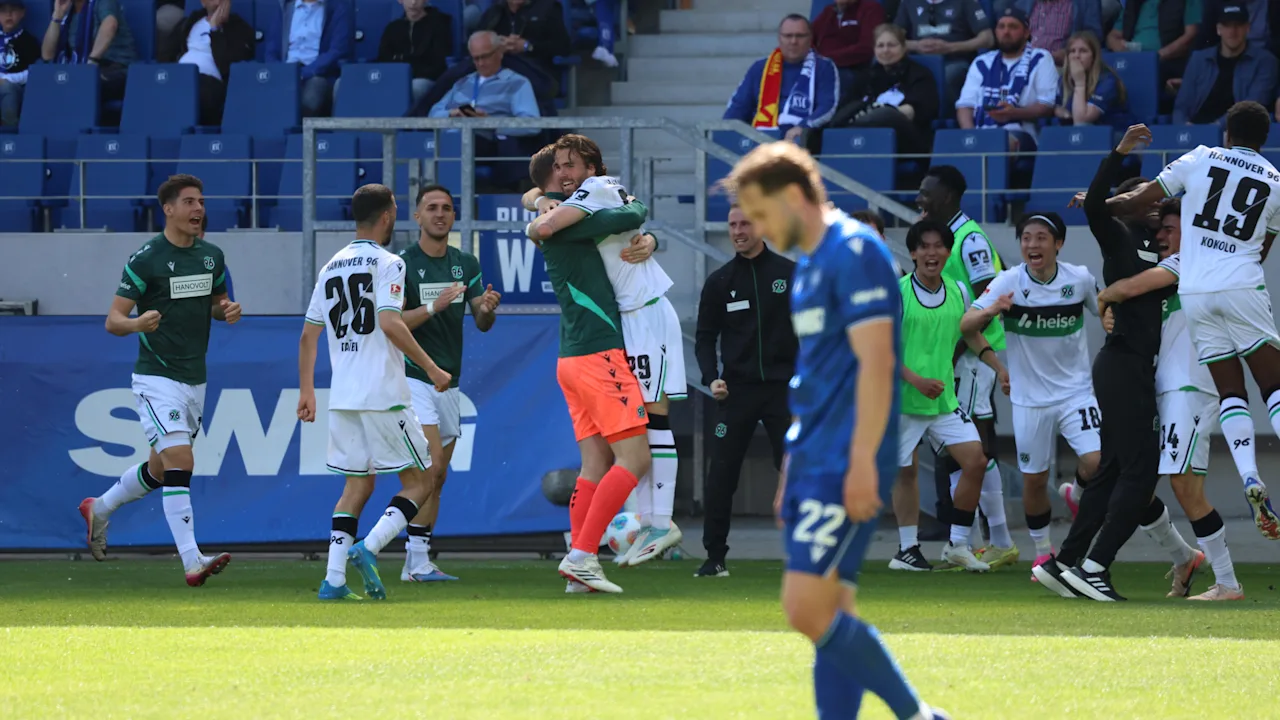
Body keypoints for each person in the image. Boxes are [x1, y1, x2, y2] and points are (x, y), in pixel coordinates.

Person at [727, 141, 951, 720]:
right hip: (813, 456)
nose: (759, 227)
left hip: (846, 456)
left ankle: (918, 715)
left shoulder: (857, 251)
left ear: (797, 197)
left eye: (763, 212)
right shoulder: (808, 269)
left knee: (804, 608)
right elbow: (815, 376)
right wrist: (791, 473)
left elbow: (876, 364)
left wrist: (859, 462)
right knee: (833, 610)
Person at [1103, 105, 1280, 541]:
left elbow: (1142, 199)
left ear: (1227, 132)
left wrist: (1099, 204)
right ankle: (1255, 478)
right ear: (1264, 137)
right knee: (1273, 387)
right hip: (1241, 282)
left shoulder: (1201, 157)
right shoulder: (1276, 182)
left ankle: (1250, 477)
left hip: (1196, 290)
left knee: (1230, 392)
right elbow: (1261, 250)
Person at [1034, 126, 1181, 602]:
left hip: (1128, 367)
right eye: (1144, 193)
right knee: (1142, 469)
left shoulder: (1158, 245)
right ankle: (1097, 567)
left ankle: (1064, 564)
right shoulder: (1119, 236)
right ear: (1127, 202)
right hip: (1123, 365)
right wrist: (1117, 153)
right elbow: (1098, 204)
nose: (1155, 200)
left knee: (1114, 469)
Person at [526, 135, 684, 569]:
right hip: (618, 326)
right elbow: (626, 211)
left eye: (572, 164)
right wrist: (539, 202)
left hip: (644, 314)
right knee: (626, 441)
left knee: (654, 416)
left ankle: (659, 521)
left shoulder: (593, 192)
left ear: (591, 169)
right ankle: (593, 549)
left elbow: (549, 225)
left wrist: (541, 213)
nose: (564, 171)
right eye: (558, 166)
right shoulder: (584, 196)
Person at [78, 174, 237, 586]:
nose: (198, 209)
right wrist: (137, 324)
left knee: (161, 470)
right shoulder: (145, 258)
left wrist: (227, 311)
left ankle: (100, 508)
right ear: (168, 209)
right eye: (189, 202)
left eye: (201, 201)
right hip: (156, 377)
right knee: (182, 461)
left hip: (195, 378)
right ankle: (191, 560)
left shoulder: (212, 257)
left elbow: (217, 304)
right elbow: (113, 320)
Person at [297, 184, 452, 602]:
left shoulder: (330, 266)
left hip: (343, 396)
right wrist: (432, 367)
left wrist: (307, 391)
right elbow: (389, 322)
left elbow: (309, 336)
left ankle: (332, 581)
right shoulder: (389, 262)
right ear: (387, 216)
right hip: (383, 393)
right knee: (422, 480)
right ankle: (370, 546)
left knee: (356, 488)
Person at [1094, 199, 1245, 601]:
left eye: (1170, 229)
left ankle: (1228, 584)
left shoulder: (1191, 261)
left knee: (1184, 485)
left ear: (1192, 233)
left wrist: (1104, 298)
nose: (1160, 235)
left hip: (1191, 389)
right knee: (1138, 483)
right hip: (1163, 388)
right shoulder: (1172, 277)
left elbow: (1130, 287)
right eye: (1160, 229)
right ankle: (1183, 557)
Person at [961, 213, 1102, 578]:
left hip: (1076, 392)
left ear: (1058, 244)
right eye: (1026, 237)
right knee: (1035, 480)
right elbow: (967, 328)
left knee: (1097, 462)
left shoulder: (1080, 278)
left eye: (1041, 238)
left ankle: (1078, 495)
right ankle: (1042, 552)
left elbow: (1104, 310)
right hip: (1029, 400)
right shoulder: (1008, 281)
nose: (1032, 245)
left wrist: (1112, 318)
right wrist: (993, 323)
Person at [892, 219, 1012, 573]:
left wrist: (998, 366)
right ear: (913, 253)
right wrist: (915, 380)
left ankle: (957, 544)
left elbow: (971, 333)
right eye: (924, 247)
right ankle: (907, 550)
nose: (932, 253)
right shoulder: (898, 292)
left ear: (948, 252)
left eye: (939, 246)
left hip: (944, 400)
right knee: (905, 473)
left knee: (975, 461)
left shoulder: (959, 290)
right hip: (904, 398)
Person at [396, 184, 502, 583]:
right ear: (417, 217)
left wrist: (488, 309)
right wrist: (432, 307)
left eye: (447, 208)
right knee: (430, 466)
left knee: (437, 478)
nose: (440, 214)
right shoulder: (402, 264)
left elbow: (482, 321)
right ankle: (402, 556)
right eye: (432, 208)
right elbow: (391, 323)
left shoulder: (465, 264)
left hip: (449, 383)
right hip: (413, 377)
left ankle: (416, 561)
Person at [693, 204, 798, 578]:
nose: (738, 231)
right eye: (732, 224)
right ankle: (715, 556)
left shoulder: (789, 274)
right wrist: (711, 377)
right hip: (735, 393)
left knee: (796, 471)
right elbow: (705, 339)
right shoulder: (720, 281)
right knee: (721, 473)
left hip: (783, 392)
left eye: (745, 224)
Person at [916, 164, 1013, 561]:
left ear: (949, 197)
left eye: (927, 192)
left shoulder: (969, 239)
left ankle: (998, 541)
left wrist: (954, 350)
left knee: (971, 446)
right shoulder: (947, 237)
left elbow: (984, 300)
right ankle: (972, 541)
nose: (920, 199)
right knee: (959, 448)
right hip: (959, 357)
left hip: (971, 358)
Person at [429, 31, 542, 190]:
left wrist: (491, 122)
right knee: (421, 144)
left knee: (454, 145)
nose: (481, 63)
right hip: (453, 136)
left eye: (486, 56)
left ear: (499, 53)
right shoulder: (462, 82)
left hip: (487, 141)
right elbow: (433, 113)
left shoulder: (517, 82)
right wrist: (451, 113)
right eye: (476, 58)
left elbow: (532, 124)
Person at [723, 14, 840, 145]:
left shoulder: (824, 67)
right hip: (760, 141)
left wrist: (803, 126)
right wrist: (726, 133)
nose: (794, 41)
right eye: (788, 36)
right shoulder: (760, 68)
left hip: (802, 141)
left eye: (800, 36)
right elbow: (737, 108)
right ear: (779, 38)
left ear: (810, 39)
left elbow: (827, 106)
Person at [956, 7, 1058, 152]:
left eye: (1013, 27)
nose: (1006, 32)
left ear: (1026, 33)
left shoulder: (1041, 58)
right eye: (1001, 27)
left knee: (999, 144)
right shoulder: (982, 62)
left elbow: (1046, 105)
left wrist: (1013, 113)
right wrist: (971, 136)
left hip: (1021, 133)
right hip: (982, 131)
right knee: (947, 144)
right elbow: (965, 106)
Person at [830, 23, 939, 156]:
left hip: (906, 137)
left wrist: (874, 113)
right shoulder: (867, 76)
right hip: (865, 135)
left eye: (891, 45)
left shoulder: (919, 74)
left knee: (886, 114)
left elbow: (911, 112)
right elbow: (848, 106)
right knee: (820, 128)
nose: (885, 50)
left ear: (904, 47)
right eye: (880, 46)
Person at [1172, 5, 1278, 126]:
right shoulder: (1199, 59)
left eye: (1238, 25)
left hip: (1236, 132)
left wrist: (1214, 129)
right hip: (1195, 130)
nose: (1232, 31)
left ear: (1247, 28)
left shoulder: (1265, 62)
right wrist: (1184, 127)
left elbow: (1251, 107)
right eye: (1227, 25)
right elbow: (1181, 106)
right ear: (1218, 29)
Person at [158, 0, 256, 127]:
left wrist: (215, 29)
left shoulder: (238, 27)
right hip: (180, 77)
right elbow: (165, 54)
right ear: (203, 2)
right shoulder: (190, 23)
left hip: (209, 83)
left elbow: (229, 66)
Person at [42, 0, 138, 119]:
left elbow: (110, 24)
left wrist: (92, 61)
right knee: (42, 86)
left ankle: (78, 133)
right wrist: (57, 16)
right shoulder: (68, 13)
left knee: (81, 85)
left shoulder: (102, 2)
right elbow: (47, 55)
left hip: (115, 68)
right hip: (79, 71)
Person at [895, 0, 994, 110]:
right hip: (918, 63)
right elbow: (893, 39)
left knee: (947, 76)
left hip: (954, 61)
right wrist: (917, 45)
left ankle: (951, 119)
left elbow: (988, 38)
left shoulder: (966, 2)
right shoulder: (908, 3)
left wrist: (950, 47)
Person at [263, 0, 354, 118]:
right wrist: (280, 72)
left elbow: (337, 51)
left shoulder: (339, 8)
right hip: (285, 73)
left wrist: (304, 73)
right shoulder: (285, 7)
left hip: (318, 74)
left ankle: (300, 134)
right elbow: (271, 51)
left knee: (312, 93)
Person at [376, 0, 453, 109]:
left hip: (426, 78)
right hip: (396, 77)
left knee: (415, 87)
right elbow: (383, 58)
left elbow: (437, 62)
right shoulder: (392, 28)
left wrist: (401, 59)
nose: (413, 3)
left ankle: (409, 123)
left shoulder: (439, 25)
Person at [1054, 30, 1135, 129]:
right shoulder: (1063, 80)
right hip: (1086, 137)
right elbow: (1056, 107)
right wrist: (1063, 113)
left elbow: (1081, 121)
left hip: (1118, 136)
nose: (1076, 56)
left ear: (1094, 56)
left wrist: (1080, 83)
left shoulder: (1107, 81)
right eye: (1072, 51)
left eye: (1083, 51)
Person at [811, 0, 886, 92]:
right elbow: (808, 38)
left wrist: (827, 59)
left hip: (850, 68)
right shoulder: (828, 11)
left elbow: (867, 47)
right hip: (820, 65)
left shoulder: (870, 9)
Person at [1014, 0, 1104, 64]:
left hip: (1061, 66)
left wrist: (1068, 51)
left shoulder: (1086, 3)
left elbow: (1093, 35)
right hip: (1024, 63)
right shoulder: (1022, 3)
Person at [0, 0, 40, 127]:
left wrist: (6, 79)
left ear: (22, 13)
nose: (8, 15)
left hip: (16, 87)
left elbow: (33, 72)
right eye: (3, 11)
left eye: (13, 10)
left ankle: (9, 131)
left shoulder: (28, 41)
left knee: (7, 88)